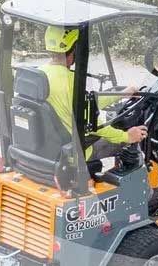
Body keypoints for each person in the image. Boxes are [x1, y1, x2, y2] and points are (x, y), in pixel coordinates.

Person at [41, 25, 146, 173]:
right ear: (75, 48)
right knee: (123, 137)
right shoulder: (71, 81)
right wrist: (127, 136)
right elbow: (96, 126)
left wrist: (122, 93)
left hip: (47, 146)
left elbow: (85, 102)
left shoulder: (40, 74)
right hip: (73, 153)